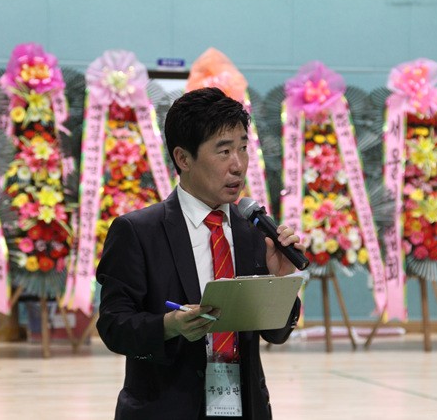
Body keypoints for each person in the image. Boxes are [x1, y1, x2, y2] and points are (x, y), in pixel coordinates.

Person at [96, 87, 303, 419]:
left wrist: (279, 284)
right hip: (164, 409)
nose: (238, 165)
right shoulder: (137, 231)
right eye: (224, 151)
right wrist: (170, 325)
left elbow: (275, 334)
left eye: (243, 148)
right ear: (183, 158)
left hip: (244, 408)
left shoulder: (253, 230)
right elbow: (114, 326)